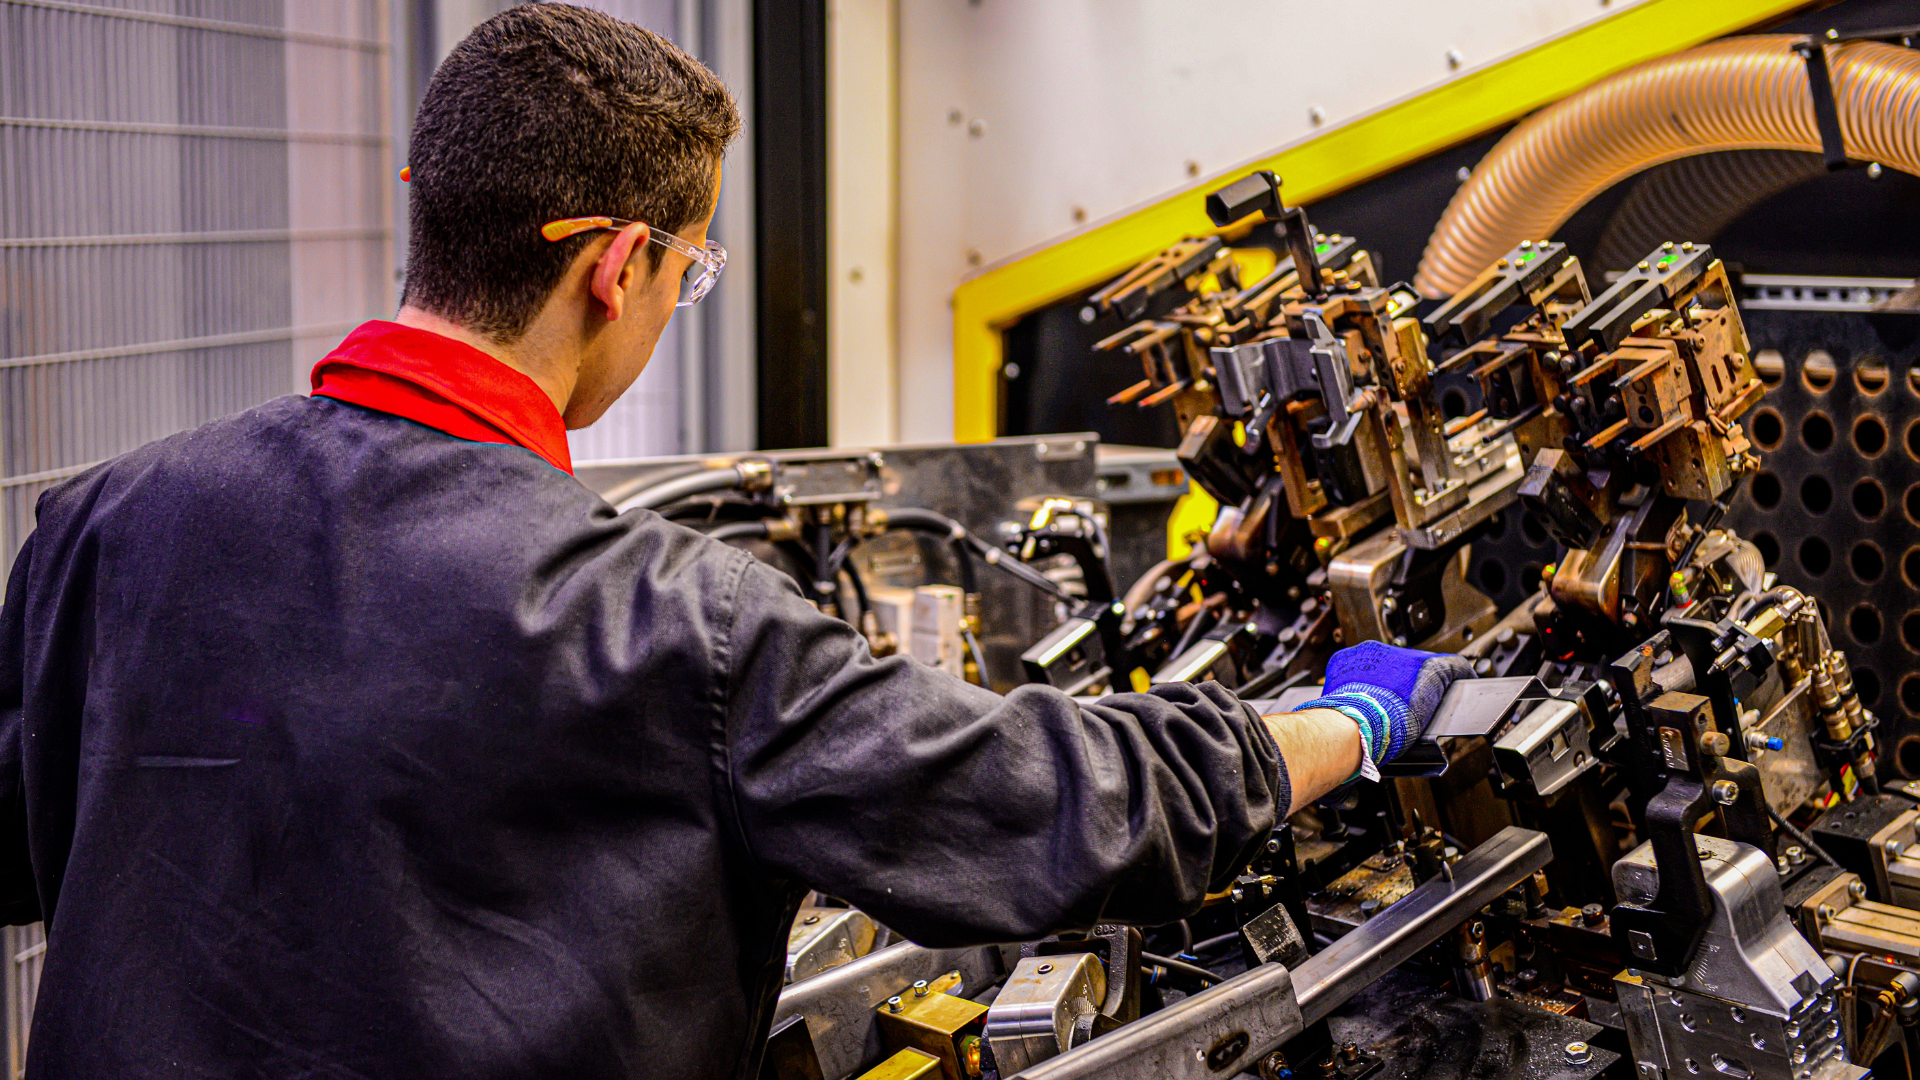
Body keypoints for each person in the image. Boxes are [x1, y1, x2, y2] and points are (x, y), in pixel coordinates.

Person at [0, 6, 1472, 1079]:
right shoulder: (666, 623)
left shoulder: (108, 519)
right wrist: (1339, 722)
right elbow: (1039, 809)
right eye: (691, 269)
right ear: (617, 261)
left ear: (427, 209)